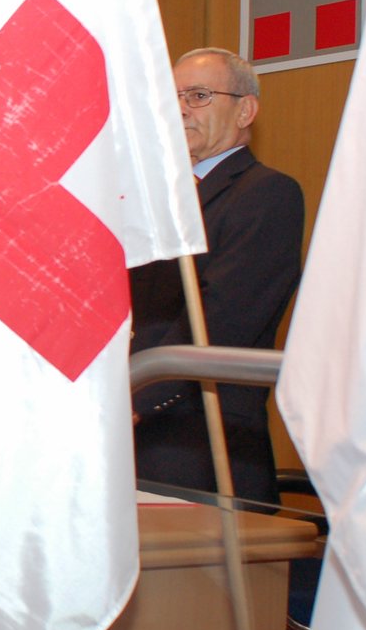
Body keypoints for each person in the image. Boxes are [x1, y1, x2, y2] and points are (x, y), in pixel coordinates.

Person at [130, 47, 305, 503]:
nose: (181, 108)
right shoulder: (151, 201)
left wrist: (134, 398)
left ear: (245, 109)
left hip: (200, 444)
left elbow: (223, 317)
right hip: (123, 435)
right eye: (172, 98)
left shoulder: (267, 194)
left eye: (199, 95)